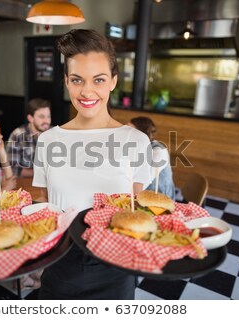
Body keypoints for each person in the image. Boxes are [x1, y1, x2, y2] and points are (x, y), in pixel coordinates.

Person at [32, 29, 153, 299]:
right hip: (59, 263)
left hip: (115, 268)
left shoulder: (137, 140)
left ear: (113, 81)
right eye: (77, 80)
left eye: (98, 80)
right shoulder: (49, 140)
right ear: (66, 81)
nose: (87, 91)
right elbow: (44, 199)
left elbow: (135, 209)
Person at [129, 116, 176, 200]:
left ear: (142, 135)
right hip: (143, 193)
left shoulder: (158, 152)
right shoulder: (135, 147)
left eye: (130, 131)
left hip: (160, 196)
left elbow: (141, 184)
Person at [6, 98, 51, 177]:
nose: (46, 121)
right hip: (25, 185)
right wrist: (43, 174)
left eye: (48, 116)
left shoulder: (54, 133)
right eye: (41, 117)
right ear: (30, 118)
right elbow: (12, 169)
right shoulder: (17, 135)